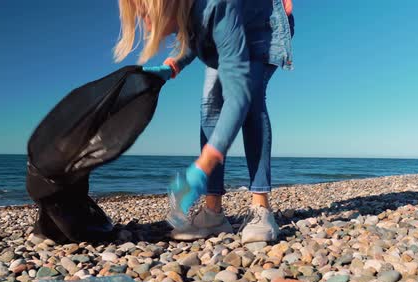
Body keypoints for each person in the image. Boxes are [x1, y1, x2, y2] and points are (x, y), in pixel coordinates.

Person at [114, 0, 294, 243]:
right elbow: (199, 33)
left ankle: (261, 207)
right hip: (229, 28)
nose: (145, 26)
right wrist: (174, 64)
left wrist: (205, 162)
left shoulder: (216, 5)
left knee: (250, 102)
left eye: (146, 14)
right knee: (210, 107)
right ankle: (213, 213)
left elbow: (238, 93)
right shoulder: (189, 10)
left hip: (261, 27)